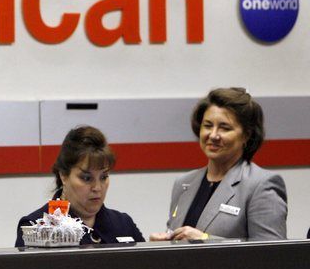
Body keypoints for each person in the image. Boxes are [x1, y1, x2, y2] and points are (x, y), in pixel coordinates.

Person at [150, 87, 287, 241]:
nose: (213, 135)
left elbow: (272, 254)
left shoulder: (261, 185)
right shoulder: (183, 183)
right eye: (208, 126)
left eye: (225, 128)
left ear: (246, 135)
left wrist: (206, 239)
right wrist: (163, 244)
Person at [15, 126, 144, 247]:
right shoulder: (35, 227)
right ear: (63, 175)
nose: (97, 187)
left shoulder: (123, 224)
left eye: (103, 177)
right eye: (87, 178)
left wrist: (156, 253)